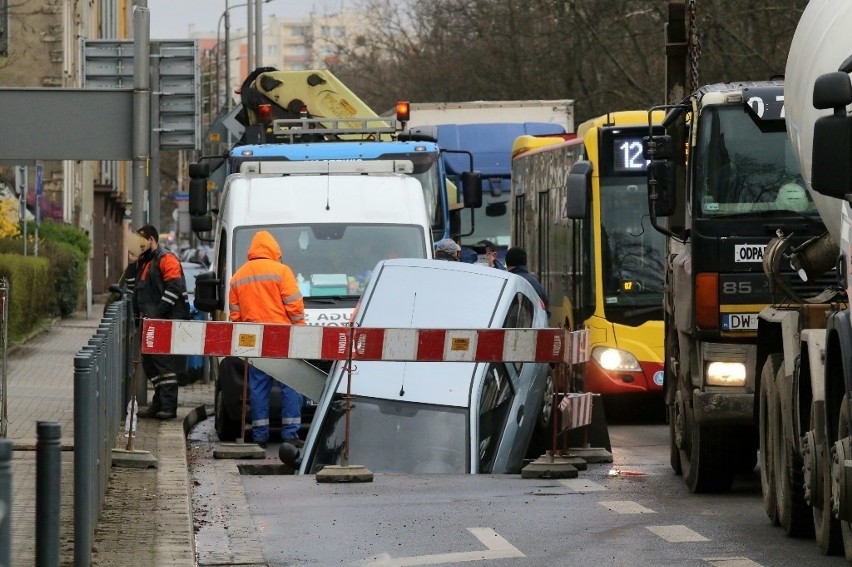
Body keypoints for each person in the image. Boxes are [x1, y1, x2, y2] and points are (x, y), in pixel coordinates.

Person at [229, 230, 306, 448]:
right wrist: (299, 330)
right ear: (274, 250)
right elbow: (294, 305)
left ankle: (259, 436)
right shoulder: (282, 271)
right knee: (290, 385)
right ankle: (290, 435)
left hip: (254, 339)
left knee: (258, 388)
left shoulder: (238, 277)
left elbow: (236, 316)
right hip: (281, 336)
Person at [132, 225, 191, 420]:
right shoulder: (145, 261)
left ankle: (168, 406)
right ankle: (159, 402)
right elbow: (137, 289)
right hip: (150, 321)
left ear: (151, 239)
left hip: (163, 321)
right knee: (150, 363)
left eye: (141, 241)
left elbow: (175, 287)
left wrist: (157, 313)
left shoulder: (166, 259)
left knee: (163, 364)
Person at [504, 246, 550, 317]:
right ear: (525, 262)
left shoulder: (509, 284)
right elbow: (547, 311)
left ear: (507, 263)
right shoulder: (536, 283)